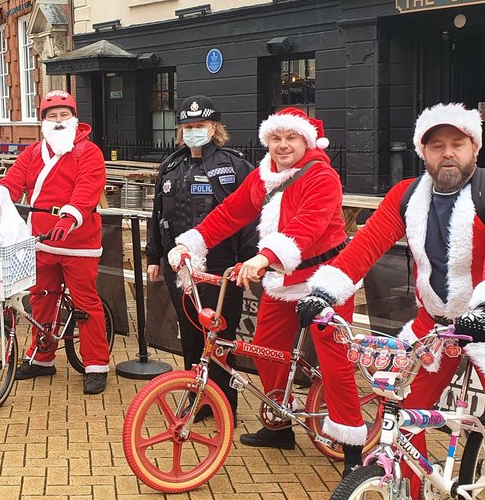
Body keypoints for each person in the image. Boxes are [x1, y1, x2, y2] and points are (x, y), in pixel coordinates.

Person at [298, 103, 485, 496]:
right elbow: (364, 247)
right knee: (401, 418)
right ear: (423, 152)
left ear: (475, 147)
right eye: (437, 145)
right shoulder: (406, 195)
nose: (448, 152)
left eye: (458, 143)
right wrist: (323, 292)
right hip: (436, 325)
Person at [167, 107, 367, 465]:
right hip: (283, 277)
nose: (283, 145)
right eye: (276, 138)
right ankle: (278, 425)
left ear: (306, 139)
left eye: (291, 138)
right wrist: (192, 242)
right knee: (265, 348)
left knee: (335, 363)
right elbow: (231, 212)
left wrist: (264, 257)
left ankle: (353, 449)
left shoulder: (322, 175)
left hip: (327, 277)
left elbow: (309, 224)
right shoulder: (264, 175)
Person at [0, 89, 111, 395]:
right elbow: (12, 183)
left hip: (78, 241)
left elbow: (88, 188)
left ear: (74, 117)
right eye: (51, 116)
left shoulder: (88, 151)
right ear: (42, 121)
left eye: (63, 115)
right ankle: (41, 357)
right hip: (40, 238)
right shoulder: (32, 153)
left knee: (85, 302)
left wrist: (70, 217)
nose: (57, 121)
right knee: (41, 298)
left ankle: (96, 364)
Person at [146, 95, 255, 421]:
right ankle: (198, 396)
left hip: (221, 266)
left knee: (219, 336)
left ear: (214, 128)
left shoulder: (235, 166)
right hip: (178, 267)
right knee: (191, 333)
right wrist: (154, 256)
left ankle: (223, 404)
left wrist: (250, 260)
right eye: (188, 126)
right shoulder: (171, 165)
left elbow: (250, 216)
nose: (193, 131)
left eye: (200, 125)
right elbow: (157, 214)